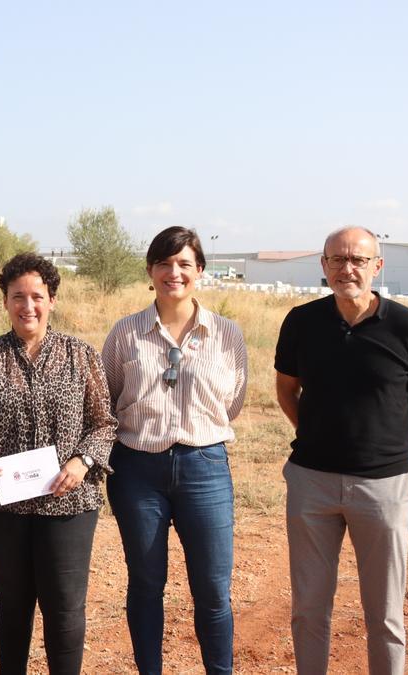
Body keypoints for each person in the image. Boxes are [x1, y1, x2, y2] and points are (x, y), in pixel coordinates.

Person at [275, 226, 408, 674]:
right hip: (311, 483)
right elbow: (287, 391)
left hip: (385, 487)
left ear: (377, 266)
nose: (347, 268)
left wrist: (387, 448)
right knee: (308, 607)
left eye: (358, 260)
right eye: (337, 260)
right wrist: (317, 435)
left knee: (384, 613)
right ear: (324, 266)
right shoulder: (301, 322)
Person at [0, 252, 116, 675]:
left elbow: (104, 424)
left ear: (52, 300)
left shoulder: (81, 356)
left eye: (37, 296)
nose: (28, 306)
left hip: (67, 505)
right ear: (5, 302)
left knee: (63, 607)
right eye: (17, 296)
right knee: (12, 604)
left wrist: (81, 462)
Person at [101, 226, 247, 674]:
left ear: (200, 271)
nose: (174, 273)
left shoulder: (227, 334)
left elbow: (233, 401)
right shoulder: (126, 332)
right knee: (146, 584)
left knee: (212, 589)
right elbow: (108, 398)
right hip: (137, 472)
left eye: (184, 263)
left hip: (205, 467)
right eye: (164, 263)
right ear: (150, 271)